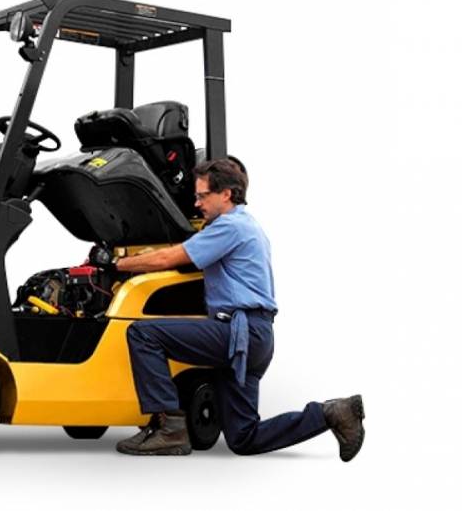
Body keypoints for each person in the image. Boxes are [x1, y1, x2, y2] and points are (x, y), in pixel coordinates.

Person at [87, 158, 365, 460]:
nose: (197, 203)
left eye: (202, 196)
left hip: (239, 333)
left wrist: (115, 263)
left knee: (143, 334)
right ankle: (332, 413)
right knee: (244, 438)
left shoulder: (229, 226)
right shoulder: (248, 226)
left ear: (226, 194)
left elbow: (169, 259)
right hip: (255, 337)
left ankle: (169, 429)